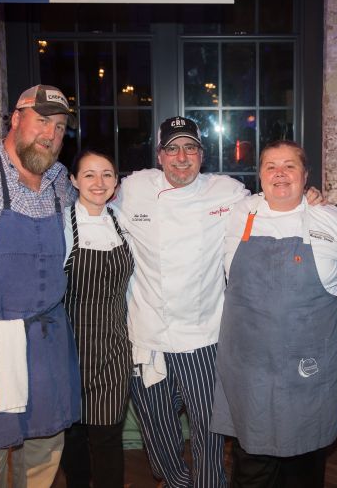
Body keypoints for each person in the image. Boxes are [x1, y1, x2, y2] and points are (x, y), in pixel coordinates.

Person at [112, 116, 250, 487]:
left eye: (190, 147)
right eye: (172, 148)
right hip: (147, 335)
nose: (182, 157)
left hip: (202, 335)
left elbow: (269, 210)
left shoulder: (227, 192)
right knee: (156, 426)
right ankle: (175, 480)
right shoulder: (133, 189)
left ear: (202, 155)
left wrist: (310, 200)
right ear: (159, 155)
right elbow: (93, 205)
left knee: (209, 426)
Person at [210, 140, 337, 488]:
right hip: (251, 372)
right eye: (271, 166)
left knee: (303, 470)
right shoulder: (240, 213)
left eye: (290, 165)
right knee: (252, 468)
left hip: (307, 371)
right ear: (259, 176)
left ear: (305, 175)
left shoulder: (330, 218)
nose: (280, 173)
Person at [0, 84, 80, 487]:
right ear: (15, 118)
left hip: (47, 338)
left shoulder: (61, 180)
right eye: (43, 120)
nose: (51, 134)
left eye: (60, 127)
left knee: (45, 447)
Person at [60, 150, 134, 488]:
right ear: (74, 180)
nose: (99, 182)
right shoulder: (61, 224)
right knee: (73, 437)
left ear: (116, 182)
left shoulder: (123, 221)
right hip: (69, 349)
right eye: (89, 174)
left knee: (108, 437)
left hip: (114, 347)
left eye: (107, 174)